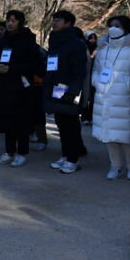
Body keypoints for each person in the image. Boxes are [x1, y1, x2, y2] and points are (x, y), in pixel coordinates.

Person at [0, 11, 43, 167]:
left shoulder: (28, 42)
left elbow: (34, 65)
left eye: (14, 20)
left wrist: (12, 69)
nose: (10, 23)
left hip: (21, 88)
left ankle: (22, 153)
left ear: (21, 22)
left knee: (22, 122)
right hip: (3, 88)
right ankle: (9, 151)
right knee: (6, 121)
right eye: (8, 20)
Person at [91, 16, 130, 180]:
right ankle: (115, 166)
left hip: (126, 97)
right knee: (108, 136)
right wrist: (96, 83)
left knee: (127, 136)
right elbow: (96, 69)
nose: (113, 28)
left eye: (117, 26)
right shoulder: (103, 49)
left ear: (126, 29)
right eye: (110, 25)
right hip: (104, 96)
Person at [43, 10, 88, 174]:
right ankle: (65, 155)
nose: (54, 22)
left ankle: (73, 160)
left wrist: (73, 93)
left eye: (58, 20)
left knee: (71, 125)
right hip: (56, 88)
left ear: (68, 23)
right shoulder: (56, 42)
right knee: (61, 123)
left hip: (68, 91)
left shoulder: (76, 43)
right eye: (53, 19)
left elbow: (78, 72)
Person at [82, 30, 99, 125]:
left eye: (94, 38)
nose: (92, 40)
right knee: (85, 96)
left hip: (95, 75)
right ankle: (85, 117)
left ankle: (91, 117)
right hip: (86, 75)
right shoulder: (84, 47)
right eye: (90, 38)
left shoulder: (99, 49)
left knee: (93, 97)